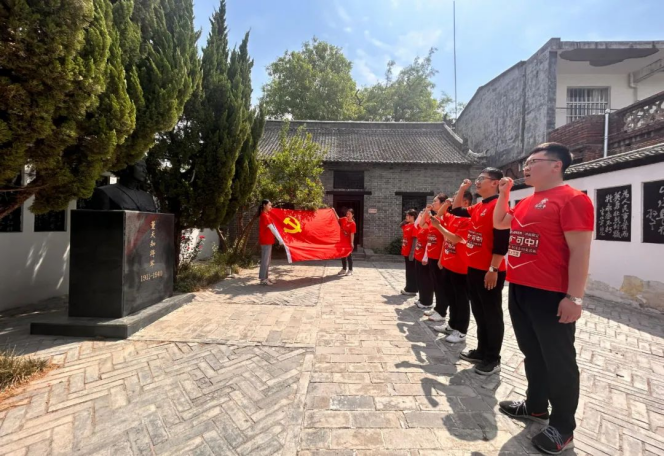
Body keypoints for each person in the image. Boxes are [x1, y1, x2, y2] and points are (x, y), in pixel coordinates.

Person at [493, 143, 593, 455]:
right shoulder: (527, 201)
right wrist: (504, 194)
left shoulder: (573, 199)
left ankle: (563, 427)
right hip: (520, 288)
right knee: (532, 352)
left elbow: (581, 251)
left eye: (533, 161)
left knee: (559, 360)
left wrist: (574, 297)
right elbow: (499, 222)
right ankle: (536, 405)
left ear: (556, 165)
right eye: (526, 162)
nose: (525, 167)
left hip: (551, 293)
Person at [451, 168, 510, 376]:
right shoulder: (479, 206)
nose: (477, 182)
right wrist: (462, 189)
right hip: (474, 268)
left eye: (481, 179)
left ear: (495, 183)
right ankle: (481, 351)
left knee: (491, 314)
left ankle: (493, 358)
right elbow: (456, 210)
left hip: (490, 270)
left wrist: (493, 268)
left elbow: (502, 240)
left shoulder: (498, 205)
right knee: (479, 312)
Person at [430, 191, 474, 344]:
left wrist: (439, 228)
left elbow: (455, 239)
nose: (452, 201)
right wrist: (447, 204)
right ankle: (452, 325)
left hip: (461, 266)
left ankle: (461, 331)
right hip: (449, 264)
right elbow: (438, 217)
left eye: (456, 199)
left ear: (465, 203)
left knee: (461, 300)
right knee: (451, 297)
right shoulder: (453, 217)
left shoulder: (468, 220)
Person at [420, 194, 449, 324]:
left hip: (439, 257)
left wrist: (442, 258)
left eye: (435, 201)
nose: (433, 203)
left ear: (443, 203)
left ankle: (442, 312)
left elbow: (446, 239)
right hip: (431, 256)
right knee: (436, 284)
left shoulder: (445, 218)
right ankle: (437, 308)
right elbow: (422, 225)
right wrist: (427, 211)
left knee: (441, 285)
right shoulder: (434, 218)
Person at [258, 199, 285, 285]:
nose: (271, 207)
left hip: (268, 240)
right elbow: (272, 228)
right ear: (264, 205)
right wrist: (280, 239)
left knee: (267, 260)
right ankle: (263, 279)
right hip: (265, 241)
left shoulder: (267, 214)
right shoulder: (264, 216)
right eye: (269, 205)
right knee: (265, 260)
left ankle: (265, 278)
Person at [412, 211, 434, 310]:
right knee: (420, 279)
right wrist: (422, 214)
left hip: (424, 258)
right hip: (418, 256)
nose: (422, 216)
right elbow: (416, 224)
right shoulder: (421, 227)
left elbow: (429, 244)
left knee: (426, 280)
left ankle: (427, 301)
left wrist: (426, 257)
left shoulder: (430, 227)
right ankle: (422, 298)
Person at [400, 209, 419, 296]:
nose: (406, 217)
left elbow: (415, 240)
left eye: (408, 215)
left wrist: (412, 252)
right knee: (408, 271)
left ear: (412, 216)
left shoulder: (415, 226)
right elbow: (401, 225)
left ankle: (411, 289)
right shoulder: (407, 225)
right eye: (406, 215)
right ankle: (408, 287)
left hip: (410, 252)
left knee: (411, 271)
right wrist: (406, 220)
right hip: (405, 251)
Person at [337, 208, 356, 276]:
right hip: (342, 241)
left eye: (349, 214)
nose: (347, 215)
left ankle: (350, 270)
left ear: (352, 215)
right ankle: (344, 269)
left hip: (348, 242)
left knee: (349, 256)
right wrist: (333, 211)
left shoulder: (353, 224)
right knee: (343, 255)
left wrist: (352, 243)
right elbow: (338, 219)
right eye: (347, 214)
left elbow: (352, 234)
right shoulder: (344, 219)